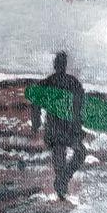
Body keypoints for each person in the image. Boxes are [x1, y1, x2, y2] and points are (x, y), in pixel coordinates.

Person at [31, 52, 86, 200]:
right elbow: (80, 106)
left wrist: (36, 122)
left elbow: (80, 105)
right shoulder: (70, 82)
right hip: (61, 128)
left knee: (73, 154)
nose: (60, 65)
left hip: (61, 128)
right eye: (59, 63)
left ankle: (62, 180)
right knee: (69, 155)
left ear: (58, 65)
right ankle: (62, 186)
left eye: (60, 63)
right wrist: (36, 122)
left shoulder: (54, 82)